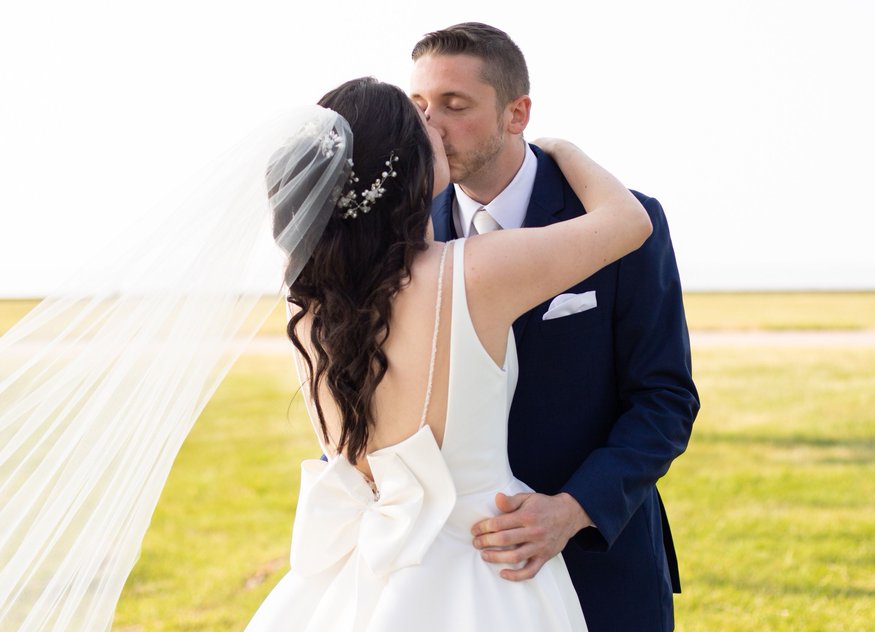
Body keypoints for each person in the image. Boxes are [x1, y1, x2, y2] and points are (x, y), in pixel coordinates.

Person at [241, 76, 650, 631]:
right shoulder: (473, 271)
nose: (434, 126)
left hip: (352, 575)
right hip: (483, 570)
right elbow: (628, 222)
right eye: (422, 124)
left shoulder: (306, 296)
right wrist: (564, 150)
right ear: (404, 165)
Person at [410, 23, 700, 631]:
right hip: (455, 574)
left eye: (454, 106)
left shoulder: (624, 222)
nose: (429, 127)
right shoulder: (406, 236)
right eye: (419, 107)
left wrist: (570, 511)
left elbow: (665, 399)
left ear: (517, 113)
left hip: (601, 568)